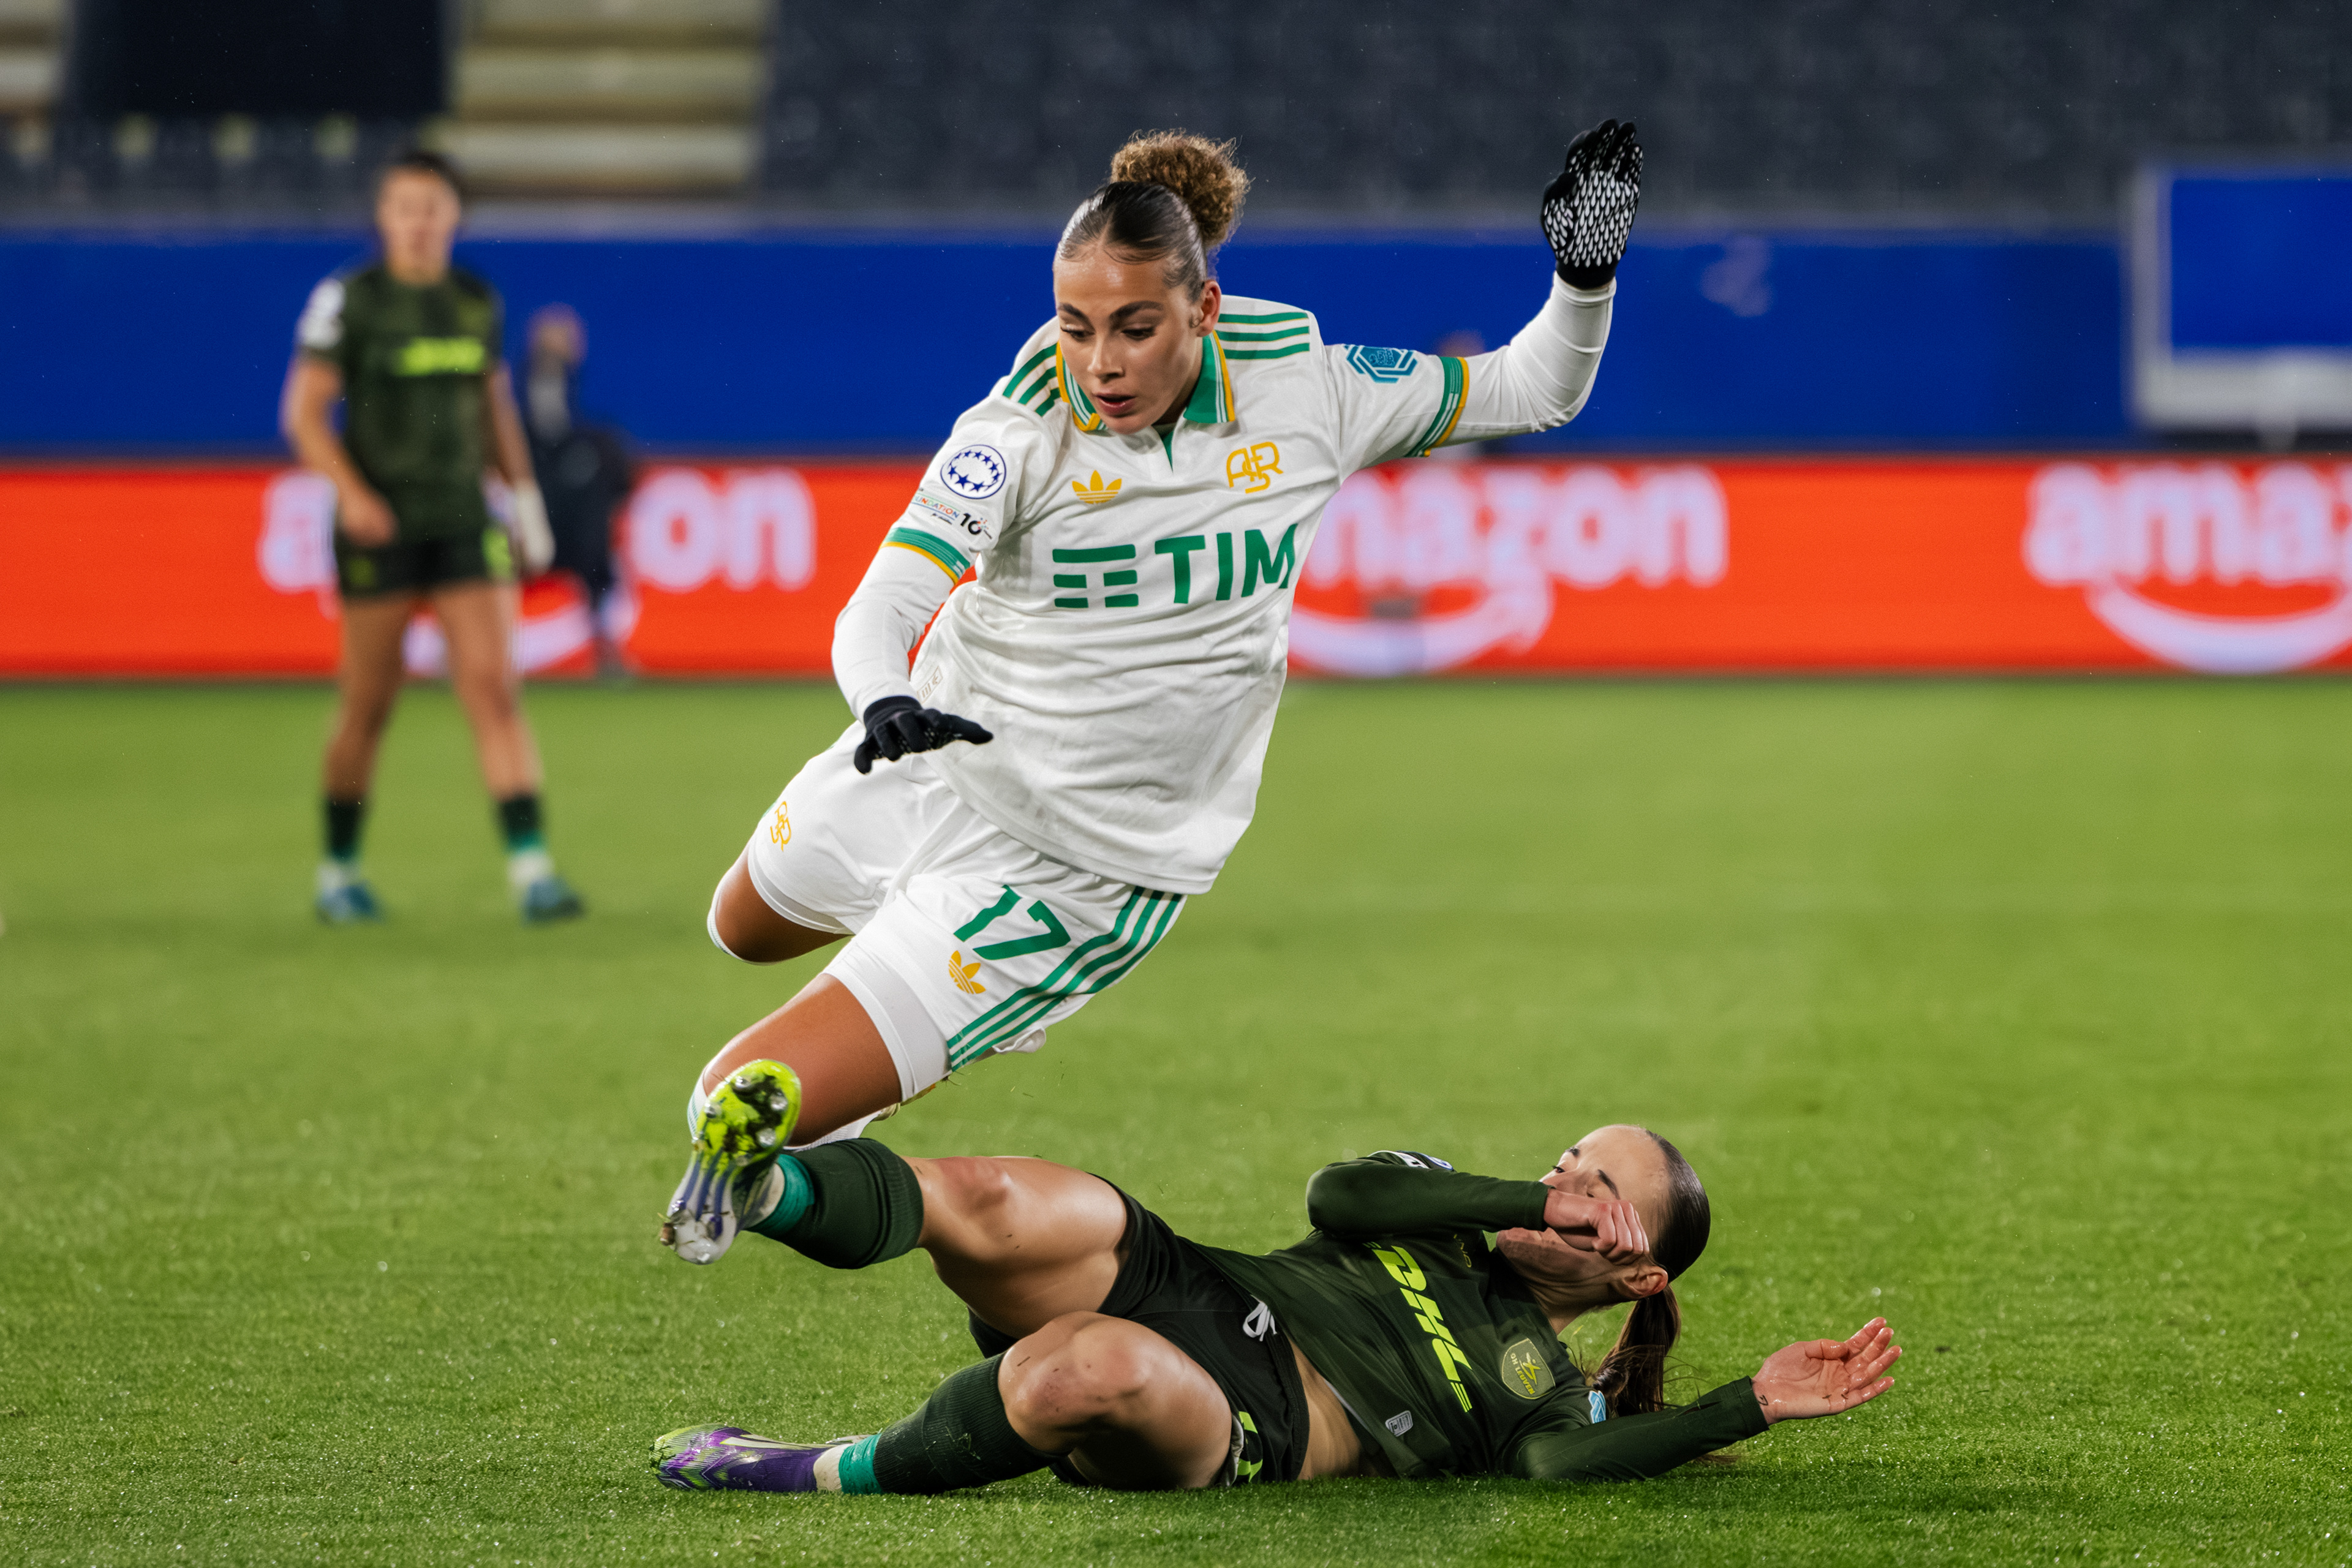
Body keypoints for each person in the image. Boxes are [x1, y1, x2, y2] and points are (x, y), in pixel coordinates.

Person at [662, 122, 1646, 1262]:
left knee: (725, 1105)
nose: (1101, 363)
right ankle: (883, 1021)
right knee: (737, 928)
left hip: (1085, 870)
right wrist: (883, 698)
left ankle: (876, 1076)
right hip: (932, 759)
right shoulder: (1020, 425)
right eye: (1077, 327)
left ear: (1205, 309)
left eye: (1134, 328)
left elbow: (1533, 390)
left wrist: (1584, 278)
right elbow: (882, 600)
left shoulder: (1307, 386)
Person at [651, 1101, 1901, 1492]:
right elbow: (1340, 1195)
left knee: (1085, 1365)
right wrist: (1522, 1188)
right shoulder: (1448, 1198)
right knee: (996, 1193)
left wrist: (1750, 1401)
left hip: (1250, 1423)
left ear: (1635, 1272)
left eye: (1602, 1191)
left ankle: (802, 1466)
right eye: (1572, 1156)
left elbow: (1556, 1472)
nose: (1569, 1182)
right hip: (1205, 1289)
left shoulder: (1547, 1386)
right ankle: (758, 1189)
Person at [280, 148, 587, 925]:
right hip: (380, 527)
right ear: (384, 217)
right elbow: (304, 415)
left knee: (494, 690)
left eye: (432, 208)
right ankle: (338, 870)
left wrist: (523, 501)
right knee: (368, 704)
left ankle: (532, 871)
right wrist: (350, 494)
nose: (418, 223)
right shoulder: (350, 302)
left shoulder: (474, 301)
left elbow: (495, 411)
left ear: (454, 218)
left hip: (461, 523)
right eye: (404, 208)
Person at [523, 304, 636, 675]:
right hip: (530, 517)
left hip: (580, 527)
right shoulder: (518, 421)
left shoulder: (594, 433)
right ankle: (464, 651)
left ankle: (607, 648)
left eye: (565, 343)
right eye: (549, 343)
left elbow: (620, 481)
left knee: (597, 551)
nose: (556, 352)